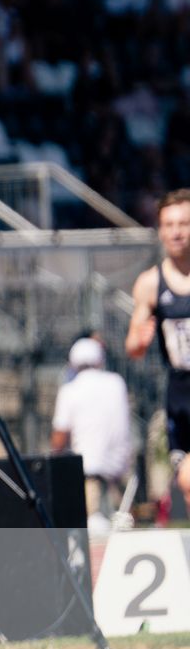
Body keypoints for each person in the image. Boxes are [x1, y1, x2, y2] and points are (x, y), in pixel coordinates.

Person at [126, 189, 190, 512]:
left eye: (184, 223)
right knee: (189, 483)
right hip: (181, 396)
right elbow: (133, 348)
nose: (176, 232)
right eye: (169, 224)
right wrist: (140, 339)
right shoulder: (150, 283)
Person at [50, 336, 132, 532]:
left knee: (93, 538)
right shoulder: (117, 383)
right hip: (120, 476)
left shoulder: (70, 390)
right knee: (122, 534)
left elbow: (59, 436)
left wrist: (55, 460)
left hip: (88, 479)